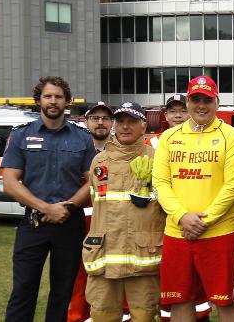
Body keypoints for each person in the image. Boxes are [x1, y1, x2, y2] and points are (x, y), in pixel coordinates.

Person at [152, 75, 234, 322]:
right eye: (195, 99)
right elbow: (160, 183)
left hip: (220, 233)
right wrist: (183, 217)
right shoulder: (169, 138)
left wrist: (203, 220)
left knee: (226, 300)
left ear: (217, 101)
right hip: (178, 232)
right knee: (180, 299)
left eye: (207, 99)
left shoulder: (232, 136)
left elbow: (233, 186)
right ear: (187, 101)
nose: (201, 105)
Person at [2, 76, 97, 322]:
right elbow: (10, 183)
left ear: (67, 101)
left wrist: (67, 207)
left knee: (62, 293)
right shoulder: (21, 136)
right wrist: (46, 208)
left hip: (69, 224)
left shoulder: (82, 138)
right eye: (48, 96)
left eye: (58, 97)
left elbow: (92, 181)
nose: (53, 101)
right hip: (32, 224)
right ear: (38, 100)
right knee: (23, 290)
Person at [82, 102, 166, 322]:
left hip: (142, 257)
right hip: (104, 256)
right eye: (120, 121)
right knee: (102, 314)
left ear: (143, 126)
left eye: (132, 121)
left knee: (145, 314)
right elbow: (96, 202)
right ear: (114, 125)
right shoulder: (99, 161)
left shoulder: (157, 160)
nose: (125, 127)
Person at [68, 100, 116, 322]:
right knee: (79, 278)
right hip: (80, 223)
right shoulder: (75, 150)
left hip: (112, 224)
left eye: (105, 118)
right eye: (95, 118)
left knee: (112, 278)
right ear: (86, 121)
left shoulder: (120, 150)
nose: (100, 123)